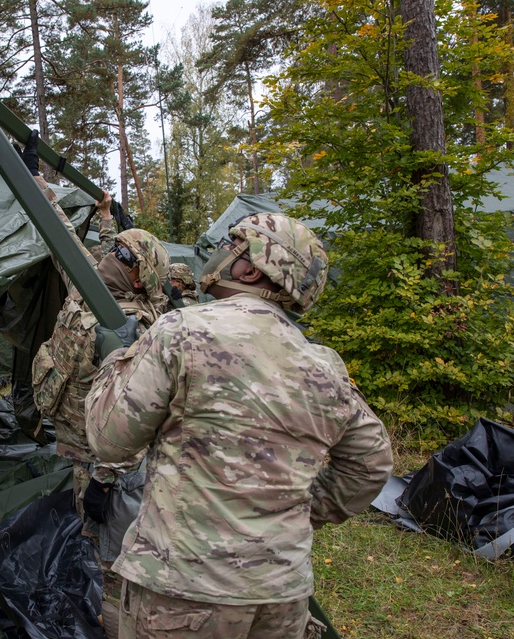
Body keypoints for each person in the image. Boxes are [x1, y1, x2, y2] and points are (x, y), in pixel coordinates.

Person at [85, 213, 393, 639]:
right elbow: (371, 464)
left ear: (250, 267)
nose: (218, 254)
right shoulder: (324, 365)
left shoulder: (181, 330)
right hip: (282, 595)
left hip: (185, 589)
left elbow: (109, 441)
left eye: (230, 246)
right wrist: (299, 514)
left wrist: (113, 364)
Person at [18, 131, 171, 635]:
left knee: (106, 538)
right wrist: (32, 178)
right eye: (114, 251)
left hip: (103, 451)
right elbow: (57, 228)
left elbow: (139, 414)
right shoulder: (89, 285)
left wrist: (108, 476)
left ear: (141, 278)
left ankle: (111, 613)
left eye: (125, 257)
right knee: (83, 525)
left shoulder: (143, 330)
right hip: (69, 430)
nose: (111, 258)